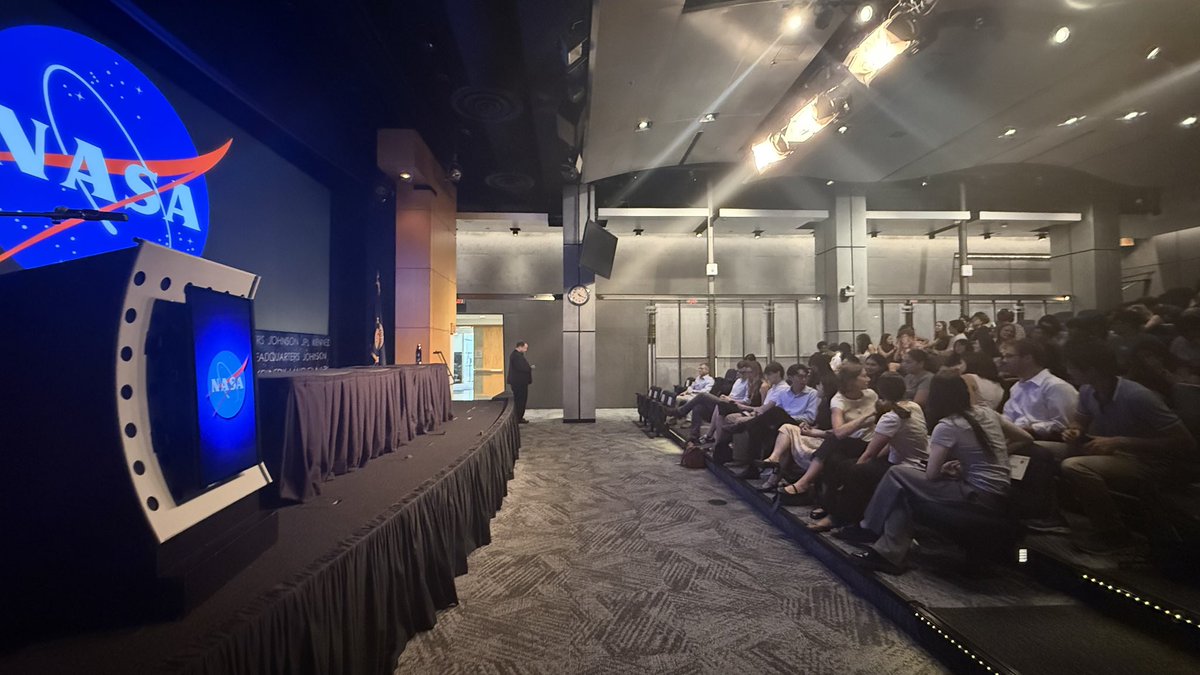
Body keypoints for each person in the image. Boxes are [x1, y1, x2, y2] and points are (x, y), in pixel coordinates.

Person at [849, 373, 1031, 574]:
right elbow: (1026, 438)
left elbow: (932, 475)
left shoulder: (948, 426)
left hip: (976, 495)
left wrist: (948, 468)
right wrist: (999, 455)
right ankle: (886, 554)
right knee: (903, 488)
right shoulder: (988, 413)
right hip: (997, 492)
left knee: (897, 474)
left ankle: (868, 526)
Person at [1060, 339, 1198, 554]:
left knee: (1075, 466)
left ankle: (1114, 534)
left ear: (1093, 370)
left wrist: (1122, 441)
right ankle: (1053, 518)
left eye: (1072, 366)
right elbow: (1079, 420)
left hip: (1146, 461)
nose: (1068, 370)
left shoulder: (1138, 396)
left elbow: (1185, 443)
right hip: (1109, 451)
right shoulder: (1088, 390)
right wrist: (1074, 430)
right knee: (1042, 450)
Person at [768, 363, 878, 500]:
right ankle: (824, 502)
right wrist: (865, 418)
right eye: (864, 376)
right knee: (833, 457)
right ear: (851, 380)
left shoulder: (871, 395)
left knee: (776, 417)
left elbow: (836, 431)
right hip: (847, 442)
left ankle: (802, 482)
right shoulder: (838, 400)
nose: (868, 379)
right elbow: (839, 432)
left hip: (870, 442)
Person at [999, 339, 1077, 442]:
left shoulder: (1055, 386)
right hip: (1019, 436)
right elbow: (1008, 416)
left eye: (1009, 356)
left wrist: (1031, 429)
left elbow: (1062, 424)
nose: (1004, 360)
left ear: (1028, 358)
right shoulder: (1016, 387)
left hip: (1047, 439)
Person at [508, 340, 533, 424]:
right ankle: (518, 417)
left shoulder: (516, 355)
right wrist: (529, 368)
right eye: (525, 348)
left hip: (519, 382)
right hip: (519, 382)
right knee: (520, 400)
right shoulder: (516, 356)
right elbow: (522, 368)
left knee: (520, 400)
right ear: (520, 347)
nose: (526, 350)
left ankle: (519, 417)